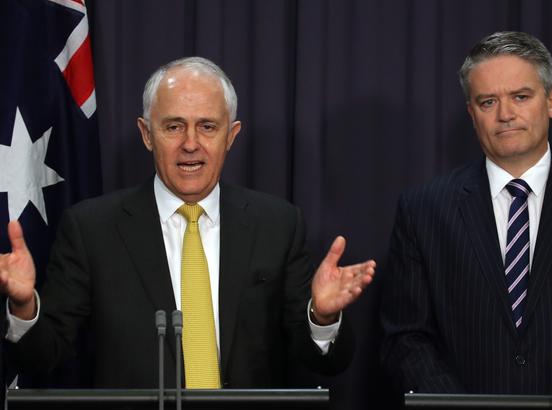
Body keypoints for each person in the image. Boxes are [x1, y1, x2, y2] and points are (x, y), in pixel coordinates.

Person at [0, 56, 376, 388]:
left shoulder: (277, 225)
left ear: (232, 136)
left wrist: (321, 318)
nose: (191, 143)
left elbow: (323, 363)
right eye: (174, 126)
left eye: (208, 127)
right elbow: (42, 357)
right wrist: (23, 309)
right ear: (147, 134)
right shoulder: (92, 230)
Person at [380, 31, 552, 395]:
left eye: (520, 97)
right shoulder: (424, 209)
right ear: (471, 113)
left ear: (551, 100)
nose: (505, 114)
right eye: (488, 102)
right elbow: (406, 337)